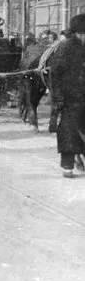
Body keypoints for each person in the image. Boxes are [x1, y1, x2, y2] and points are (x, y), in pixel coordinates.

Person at [49, 14, 85, 178]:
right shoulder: (65, 48)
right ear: (78, 32)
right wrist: (58, 98)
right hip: (70, 98)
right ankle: (68, 165)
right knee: (69, 130)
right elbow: (55, 75)